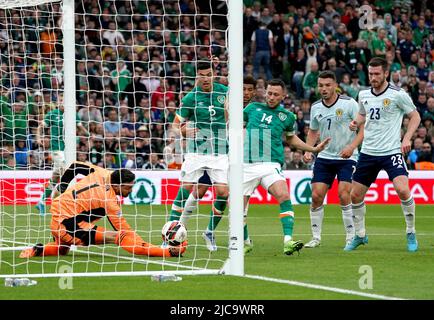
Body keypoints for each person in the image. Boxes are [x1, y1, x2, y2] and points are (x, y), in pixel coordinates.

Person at [20, 161, 186, 258]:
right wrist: (162, 250)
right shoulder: (110, 201)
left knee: (63, 249)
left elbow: (75, 166)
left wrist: (63, 187)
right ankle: (169, 252)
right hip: (66, 223)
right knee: (117, 236)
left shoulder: (102, 172)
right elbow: (125, 233)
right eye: (128, 188)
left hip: (62, 214)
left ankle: (37, 250)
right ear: (117, 185)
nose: (131, 191)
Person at [243, 79, 330, 255]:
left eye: (276, 94)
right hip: (247, 165)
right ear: (265, 92)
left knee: (284, 195)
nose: (271, 97)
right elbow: (236, 126)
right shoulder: (251, 109)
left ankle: (288, 241)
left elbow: (291, 138)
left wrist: (312, 148)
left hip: (270, 164)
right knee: (238, 208)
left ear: (283, 96)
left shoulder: (287, 117)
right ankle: (245, 241)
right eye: (269, 93)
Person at [346, 57, 421, 252]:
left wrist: (407, 138)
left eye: (377, 74)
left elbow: (415, 116)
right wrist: (355, 122)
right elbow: (363, 114)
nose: (373, 77)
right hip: (368, 152)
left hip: (391, 151)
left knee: (403, 190)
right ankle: (360, 235)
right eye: (371, 74)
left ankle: (411, 232)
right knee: (355, 195)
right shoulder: (363, 94)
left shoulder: (398, 94)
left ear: (386, 73)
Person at [176, 76, 258, 254]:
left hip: (234, 156)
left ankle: (222, 233)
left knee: (232, 194)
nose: (246, 93)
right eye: (243, 89)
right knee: (200, 190)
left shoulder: (254, 109)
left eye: (249, 90)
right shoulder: (227, 98)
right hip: (216, 152)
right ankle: (180, 226)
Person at [167, 60, 229, 252]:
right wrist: (183, 133)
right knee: (185, 189)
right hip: (196, 152)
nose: (205, 78)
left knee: (224, 193)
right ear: (197, 77)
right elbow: (175, 126)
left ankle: (209, 232)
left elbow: (231, 115)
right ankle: (170, 234)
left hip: (219, 152)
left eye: (208, 74)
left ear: (213, 74)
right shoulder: (190, 98)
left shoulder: (224, 91)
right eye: (201, 75)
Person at [303, 71, 364, 249]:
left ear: (335, 85)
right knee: (316, 196)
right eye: (321, 85)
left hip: (347, 157)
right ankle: (315, 237)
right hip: (324, 157)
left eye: (327, 85)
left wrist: (352, 147)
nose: (324, 88)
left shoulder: (349, 104)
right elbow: (313, 131)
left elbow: (363, 129)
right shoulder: (315, 107)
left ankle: (351, 237)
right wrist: (309, 150)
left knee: (344, 194)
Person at [35, 94, 88, 215]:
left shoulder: (72, 115)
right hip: (56, 149)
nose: (61, 103)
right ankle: (64, 203)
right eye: (60, 101)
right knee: (67, 172)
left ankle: (41, 202)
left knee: (56, 178)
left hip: (69, 150)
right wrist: (38, 138)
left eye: (64, 101)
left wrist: (90, 134)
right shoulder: (53, 114)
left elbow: (81, 129)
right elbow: (40, 127)